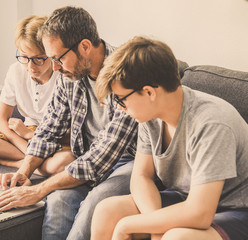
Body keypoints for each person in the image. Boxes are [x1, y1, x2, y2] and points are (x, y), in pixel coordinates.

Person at [0, 6, 138, 240]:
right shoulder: (70, 74)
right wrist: (24, 171)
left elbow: (104, 155)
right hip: (86, 157)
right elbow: (49, 127)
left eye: (58, 58)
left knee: (96, 204)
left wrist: (39, 189)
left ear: (85, 46)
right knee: (58, 200)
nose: (55, 67)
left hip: (129, 162)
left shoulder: (126, 72)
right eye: (51, 59)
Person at [91, 36, 248, 240]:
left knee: (176, 237)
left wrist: (126, 226)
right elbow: (141, 177)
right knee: (107, 211)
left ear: (149, 92)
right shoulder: (149, 117)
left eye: (121, 99)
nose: (120, 107)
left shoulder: (211, 123)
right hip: (188, 200)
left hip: (236, 210)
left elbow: (200, 213)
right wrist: (155, 225)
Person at [0, 15, 72, 176]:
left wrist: (30, 135)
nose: (30, 66)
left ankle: (11, 162)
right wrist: (24, 144)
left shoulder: (66, 77)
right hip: (24, 135)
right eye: (24, 57)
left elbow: (71, 134)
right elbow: (0, 120)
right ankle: (33, 164)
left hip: (53, 139)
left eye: (38, 59)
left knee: (65, 162)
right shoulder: (16, 71)